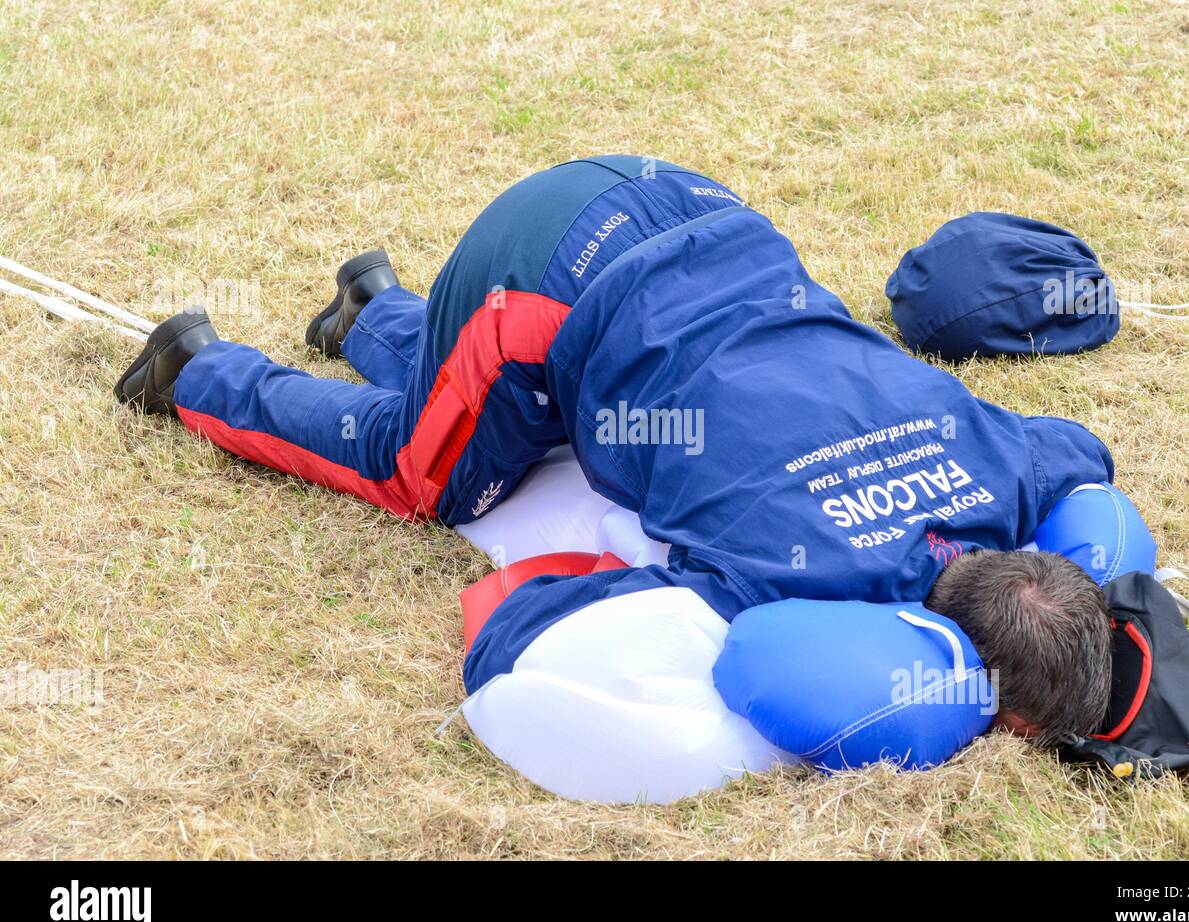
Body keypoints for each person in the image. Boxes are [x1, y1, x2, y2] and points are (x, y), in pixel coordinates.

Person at [115, 155, 1114, 744]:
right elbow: (521, 629)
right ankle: (196, 370)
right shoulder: (784, 583)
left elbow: (1084, 454)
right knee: (416, 473)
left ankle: (374, 310)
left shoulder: (1002, 463)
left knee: (497, 418)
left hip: (697, 207)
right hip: (543, 279)